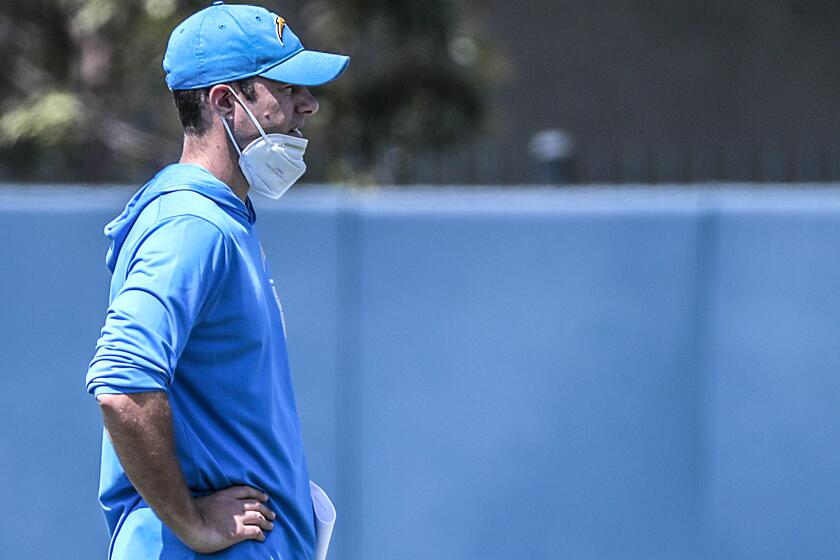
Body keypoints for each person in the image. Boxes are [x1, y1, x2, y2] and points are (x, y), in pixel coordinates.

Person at [84, 2, 348, 558]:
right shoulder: (190, 224)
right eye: (287, 86)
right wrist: (192, 523)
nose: (309, 103)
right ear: (226, 102)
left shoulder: (219, 218)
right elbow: (123, 384)